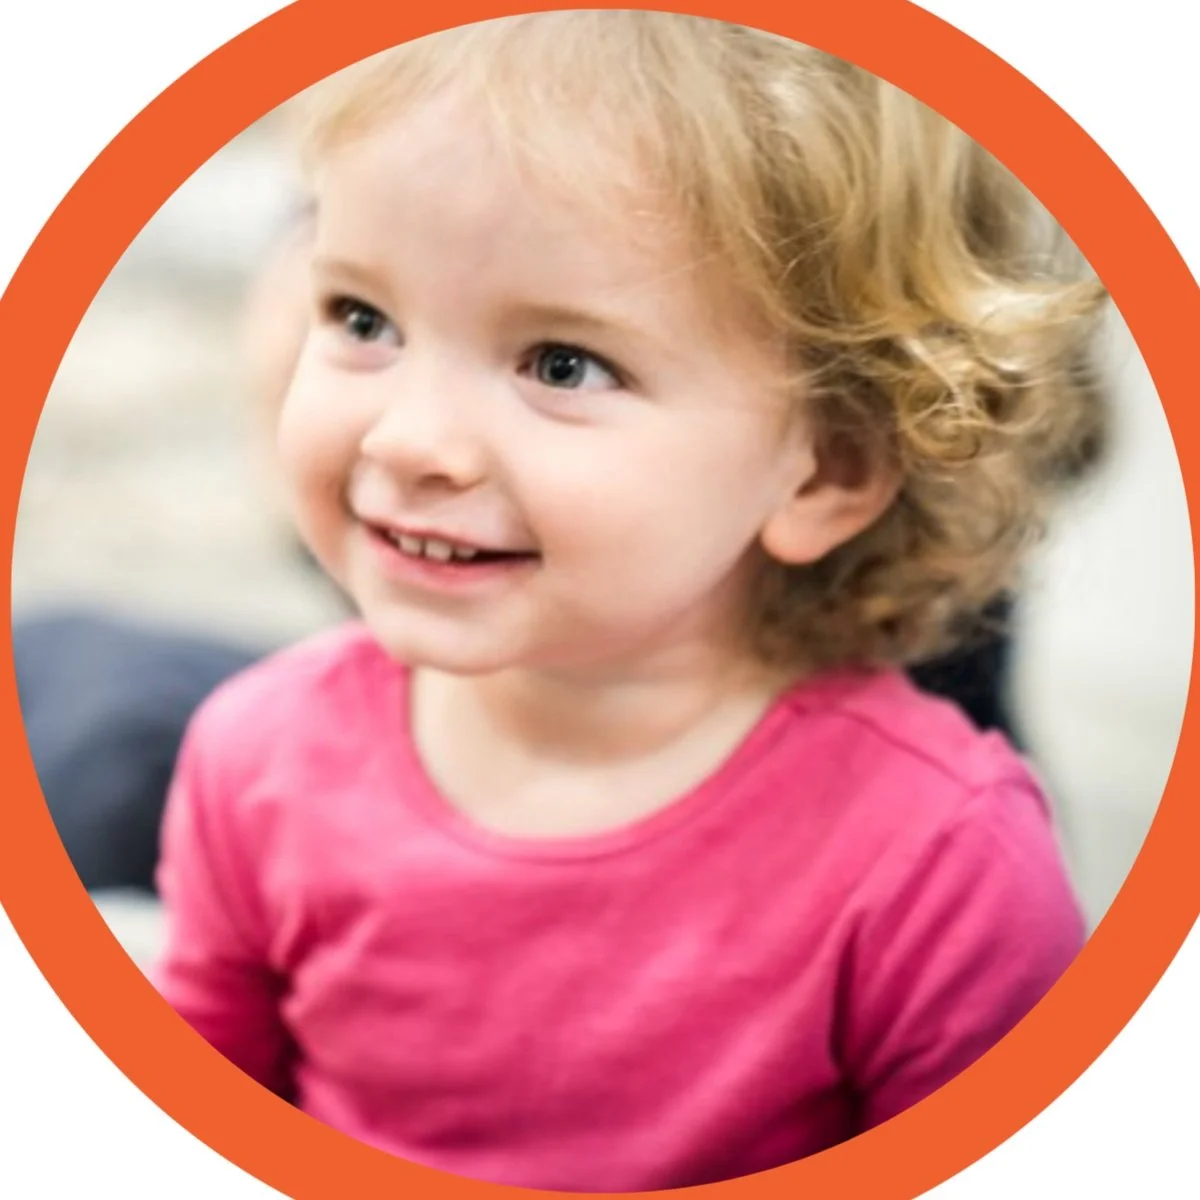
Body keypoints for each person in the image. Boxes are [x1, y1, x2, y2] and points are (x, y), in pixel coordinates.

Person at [148, 14, 1104, 1189]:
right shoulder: (253, 758)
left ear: (827, 469)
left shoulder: (939, 869)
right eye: (362, 319)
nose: (411, 439)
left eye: (561, 364)